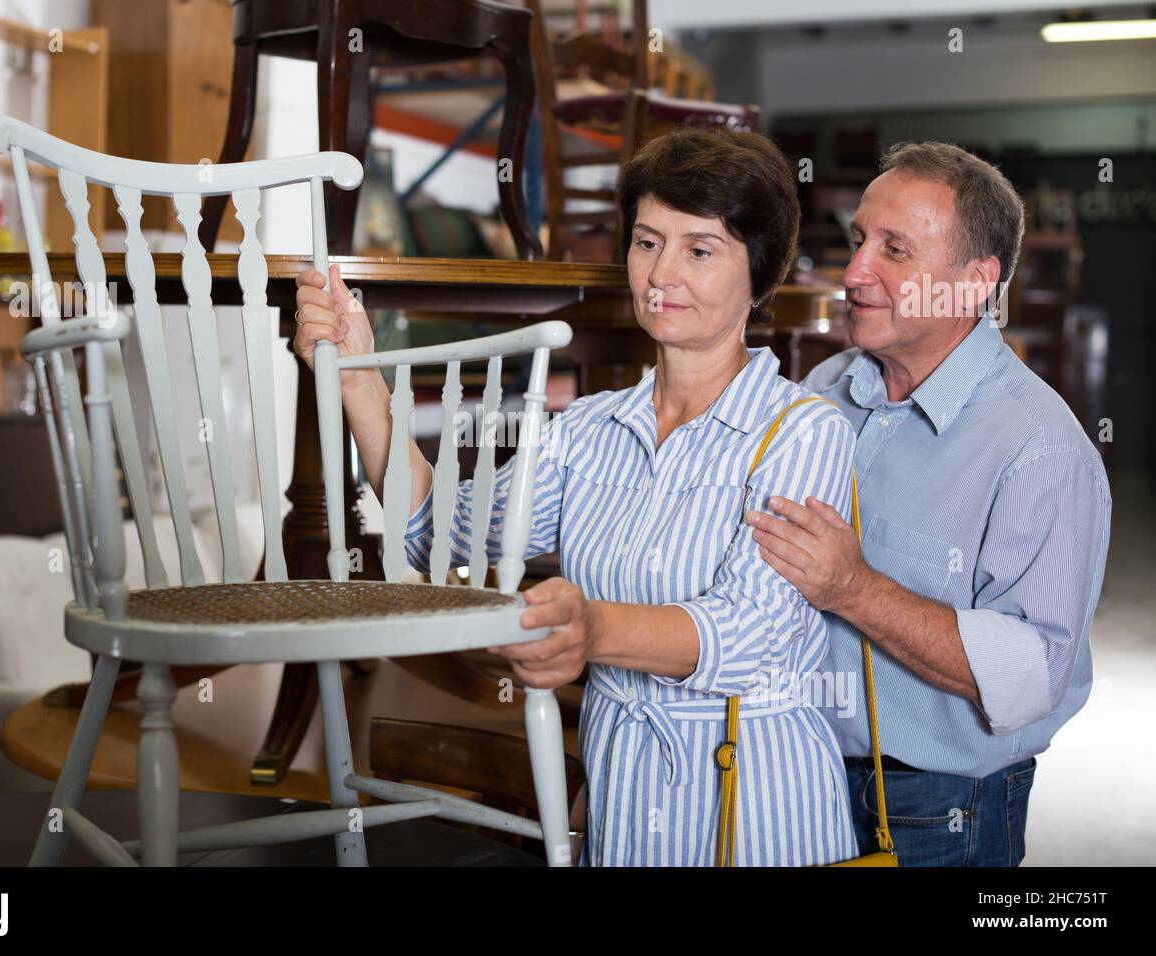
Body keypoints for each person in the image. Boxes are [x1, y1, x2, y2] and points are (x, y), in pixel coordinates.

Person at [294, 128, 861, 867]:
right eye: (647, 241)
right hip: (622, 802)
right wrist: (358, 380)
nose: (662, 273)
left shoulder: (804, 432)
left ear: (758, 273)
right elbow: (445, 535)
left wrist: (590, 629)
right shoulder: (590, 428)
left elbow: (748, 634)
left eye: (700, 249)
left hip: (755, 810)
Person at [746, 141, 1112, 866]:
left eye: (895, 251)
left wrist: (854, 588)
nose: (853, 274)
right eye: (857, 242)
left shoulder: (1039, 450)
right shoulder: (828, 388)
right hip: (796, 774)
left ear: (973, 284)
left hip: (936, 813)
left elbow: (1030, 674)